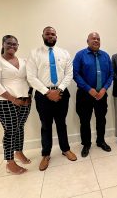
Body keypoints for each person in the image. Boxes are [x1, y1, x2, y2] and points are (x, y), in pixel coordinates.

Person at [26, 26, 76, 171]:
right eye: (47, 34)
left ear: (56, 36)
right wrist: (47, 92)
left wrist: (59, 90)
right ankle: (46, 154)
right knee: (45, 125)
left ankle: (65, 149)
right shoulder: (34, 53)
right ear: (42, 35)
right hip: (42, 95)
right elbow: (31, 77)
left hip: (61, 93)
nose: (50, 36)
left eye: (53, 34)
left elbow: (69, 74)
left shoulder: (64, 53)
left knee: (61, 123)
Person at [0, 35, 32, 175]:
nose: (12, 46)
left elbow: (29, 78)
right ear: (3, 44)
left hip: (24, 101)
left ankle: (19, 152)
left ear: (18, 45)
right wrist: (13, 99)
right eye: (9, 43)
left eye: (15, 44)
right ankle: (9, 163)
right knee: (10, 131)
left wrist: (29, 95)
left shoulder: (23, 61)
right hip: (5, 101)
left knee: (19, 128)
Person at [73, 32, 113, 157]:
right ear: (87, 41)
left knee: (101, 119)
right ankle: (86, 144)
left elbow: (111, 74)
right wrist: (88, 89)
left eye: (98, 39)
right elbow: (75, 73)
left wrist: (104, 89)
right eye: (93, 38)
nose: (96, 40)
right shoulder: (80, 55)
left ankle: (101, 141)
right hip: (85, 94)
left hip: (101, 94)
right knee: (85, 120)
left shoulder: (106, 56)